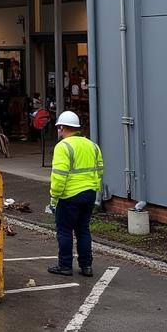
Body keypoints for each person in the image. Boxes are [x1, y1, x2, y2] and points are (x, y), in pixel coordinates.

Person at [45, 110, 103, 277]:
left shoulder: (63, 147)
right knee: (83, 230)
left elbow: (59, 176)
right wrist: (94, 188)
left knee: (64, 231)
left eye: (58, 128)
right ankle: (86, 266)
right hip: (89, 194)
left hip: (69, 195)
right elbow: (99, 170)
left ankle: (65, 266)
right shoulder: (92, 145)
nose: (58, 131)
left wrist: (54, 198)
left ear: (62, 127)